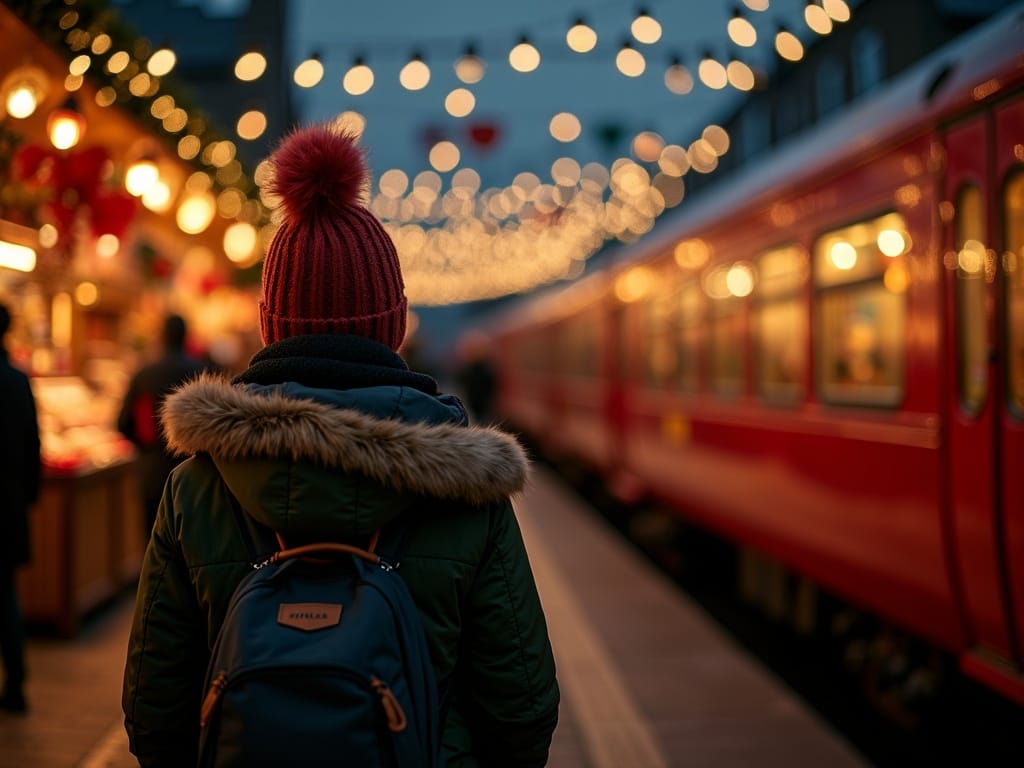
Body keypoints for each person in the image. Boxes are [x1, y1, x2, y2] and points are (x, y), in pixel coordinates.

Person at [122, 125, 559, 767]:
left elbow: (153, 712)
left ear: (272, 322)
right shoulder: (468, 490)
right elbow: (520, 712)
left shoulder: (197, 487)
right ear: (392, 322)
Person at [117, 313, 208, 537]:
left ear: (162, 336)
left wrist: (147, 445)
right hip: (195, 472)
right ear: (185, 336)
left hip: (151, 472)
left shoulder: (144, 374)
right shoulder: (201, 372)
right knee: (191, 542)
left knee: (153, 539)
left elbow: (123, 423)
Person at [0, 303, 41, 715]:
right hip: (8, 504)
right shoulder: (17, 381)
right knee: (6, 594)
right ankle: (16, 682)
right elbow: (34, 444)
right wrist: (29, 496)